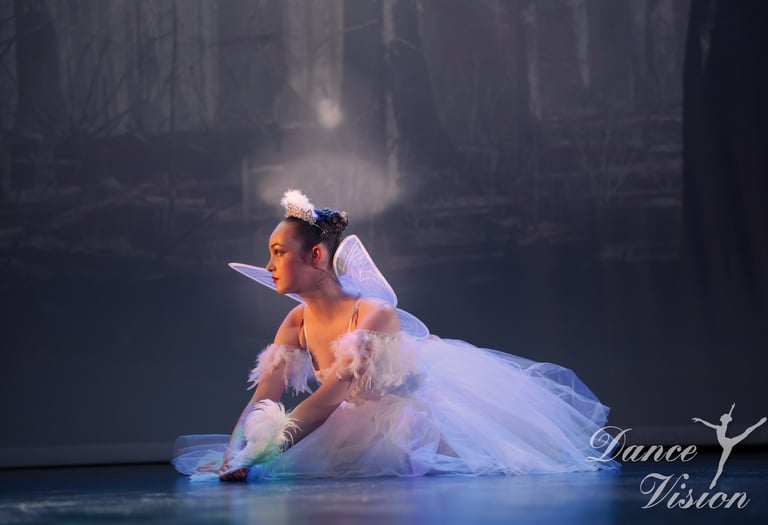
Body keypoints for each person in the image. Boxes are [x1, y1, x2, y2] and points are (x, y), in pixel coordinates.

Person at [172, 189, 620, 481]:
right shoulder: (295, 323)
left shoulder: (374, 314)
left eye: (277, 253)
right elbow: (263, 397)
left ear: (314, 256)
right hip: (349, 423)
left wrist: (261, 455)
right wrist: (237, 451)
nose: (268, 265)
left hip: (410, 419)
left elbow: (329, 395)